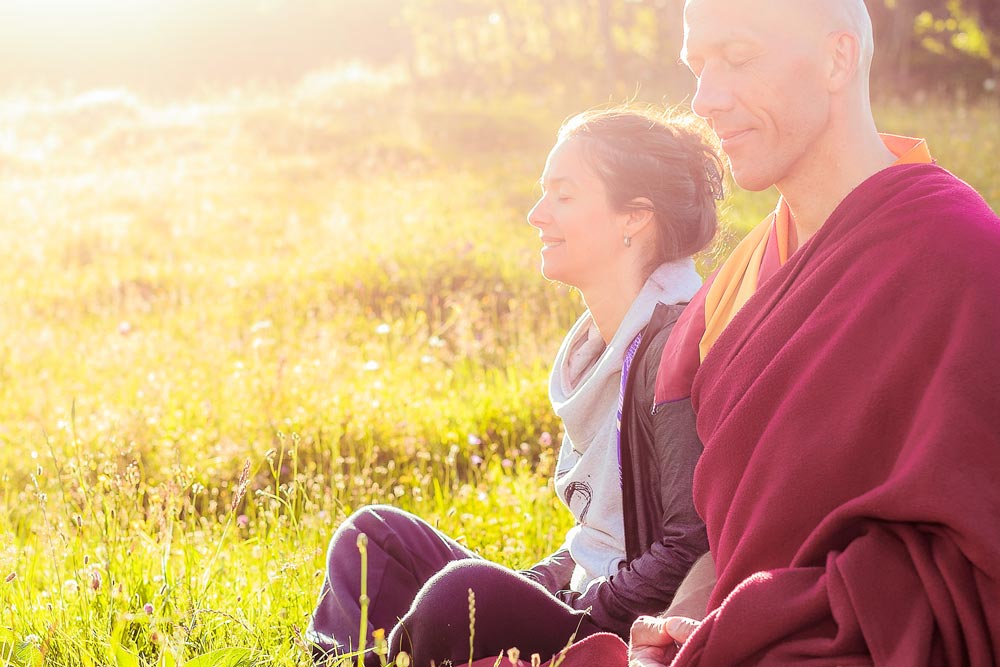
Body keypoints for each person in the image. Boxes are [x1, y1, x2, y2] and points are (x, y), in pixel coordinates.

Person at [624, 0, 1000, 665]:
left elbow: (980, 559)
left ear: (838, 57)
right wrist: (681, 625)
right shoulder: (737, 281)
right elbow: (730, 531)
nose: (704, 99)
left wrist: (765, 625)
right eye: (696, 66)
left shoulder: (962, 256)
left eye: (737, 59)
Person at [306, 106, 725, 666]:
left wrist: (569, 607)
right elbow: (596, 540)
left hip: (620, 627)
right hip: (583, 597)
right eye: (542, 193)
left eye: (564, 195)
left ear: (634, 217)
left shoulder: (670, 350)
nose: (536, 214)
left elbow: (689, 546)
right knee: (372, 536)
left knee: (458, 595)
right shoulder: (599, 349)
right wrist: (531, 586)